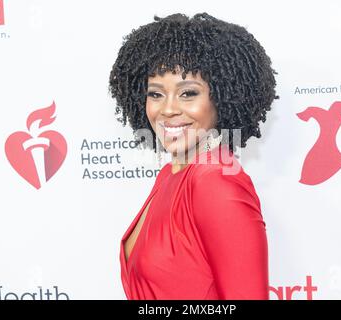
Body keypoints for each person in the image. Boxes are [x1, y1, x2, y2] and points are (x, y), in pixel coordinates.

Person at [109, 12, 277, 300]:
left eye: (188, 93)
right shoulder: (170, 175)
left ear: (223, 97)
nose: (169, 109)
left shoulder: (216, 182)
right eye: (156, 94)